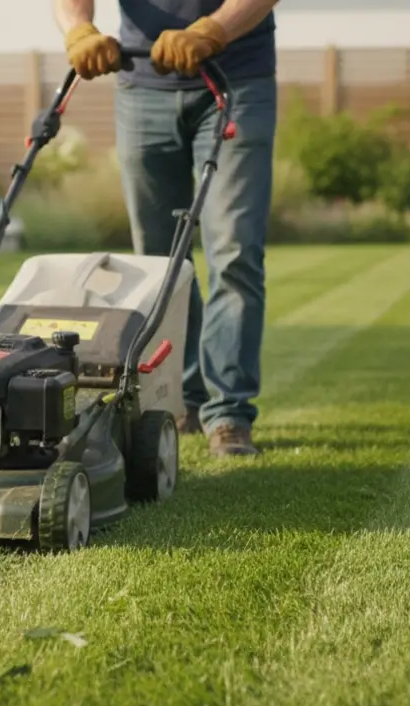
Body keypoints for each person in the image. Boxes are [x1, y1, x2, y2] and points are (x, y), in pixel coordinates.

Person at [52, 0, 278, 457]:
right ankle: (181, 398)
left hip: (236, 80)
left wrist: (213, 30)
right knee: (161, 263)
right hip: (142, 88)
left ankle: (229, 413)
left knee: (234, 251)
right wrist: (79, 29)